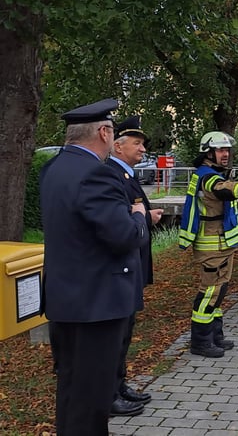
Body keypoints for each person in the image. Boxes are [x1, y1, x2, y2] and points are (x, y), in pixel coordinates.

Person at [40, 98, 149, 436]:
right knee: (92, 399)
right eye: (112, 132)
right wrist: (139, 218)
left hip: (65, 298)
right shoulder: (96, 174)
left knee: (72, 390)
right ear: (104, 133)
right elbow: (123, 236)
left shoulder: (54, 168)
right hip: (97, 304)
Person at [178, 131, 238, 357]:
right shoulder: (208, 177)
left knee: (219, 291)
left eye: (227, 150)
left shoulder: (212, 174)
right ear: (208, 153)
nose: (226, 154)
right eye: (221, 150)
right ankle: (200, 342)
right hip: (211, 246)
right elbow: (225, 189)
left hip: (221, 244)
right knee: (210, 292)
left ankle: (215, 336)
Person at [106, 116, 164, 417]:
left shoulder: (126, 175)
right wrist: (143, 217)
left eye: (143, 144)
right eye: (137, 143)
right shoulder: (112, 175)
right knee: (116, 334)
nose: (143, 149)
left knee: (125, 331)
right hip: (121, 268)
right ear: (118, 146)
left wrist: (145, 216)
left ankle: (120, 384)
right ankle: (111, 392)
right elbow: (121, 220)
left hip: (133, 265)